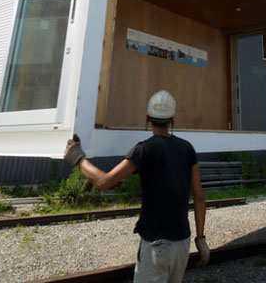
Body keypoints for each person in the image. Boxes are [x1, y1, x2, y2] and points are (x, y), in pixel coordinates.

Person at [64, 90, 209, 283]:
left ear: (148, 118)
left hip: (157, 245)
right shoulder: (187, 148)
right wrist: (201, 238)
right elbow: (199, 196)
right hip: (182, 244)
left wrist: (78, 158)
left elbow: (104, 182)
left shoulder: (144, 149)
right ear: (171, 119)